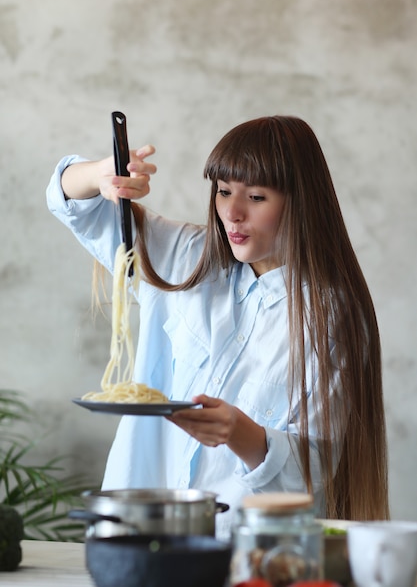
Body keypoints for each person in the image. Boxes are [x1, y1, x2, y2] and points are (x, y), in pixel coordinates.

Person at [46, 115, 389, 539]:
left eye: (257, 197)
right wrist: (100, 175)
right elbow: (72, 202)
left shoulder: (330, 316)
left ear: (303, 202)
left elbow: (317, 464)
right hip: (134, 535)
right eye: (224, 192)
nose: (233, 212)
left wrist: (243, 434)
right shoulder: (186, 258)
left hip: (244, 553)